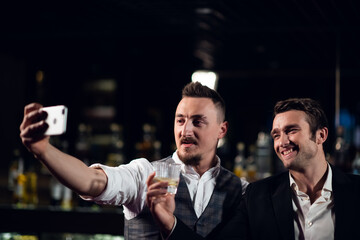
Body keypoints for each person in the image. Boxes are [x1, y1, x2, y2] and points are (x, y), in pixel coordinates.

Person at [19, 82, 248, 240]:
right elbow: (91, 182)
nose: (185, 130)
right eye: (180, 120)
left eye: (198, 122)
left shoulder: (242, 191)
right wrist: (44, 151)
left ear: (222, 129)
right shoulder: (145, 173)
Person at [147, 98, 360, 240]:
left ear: (321, 135)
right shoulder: (257, 196)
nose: (282, 142)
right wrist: (169, 222)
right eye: (276, 135)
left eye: (291, 130)